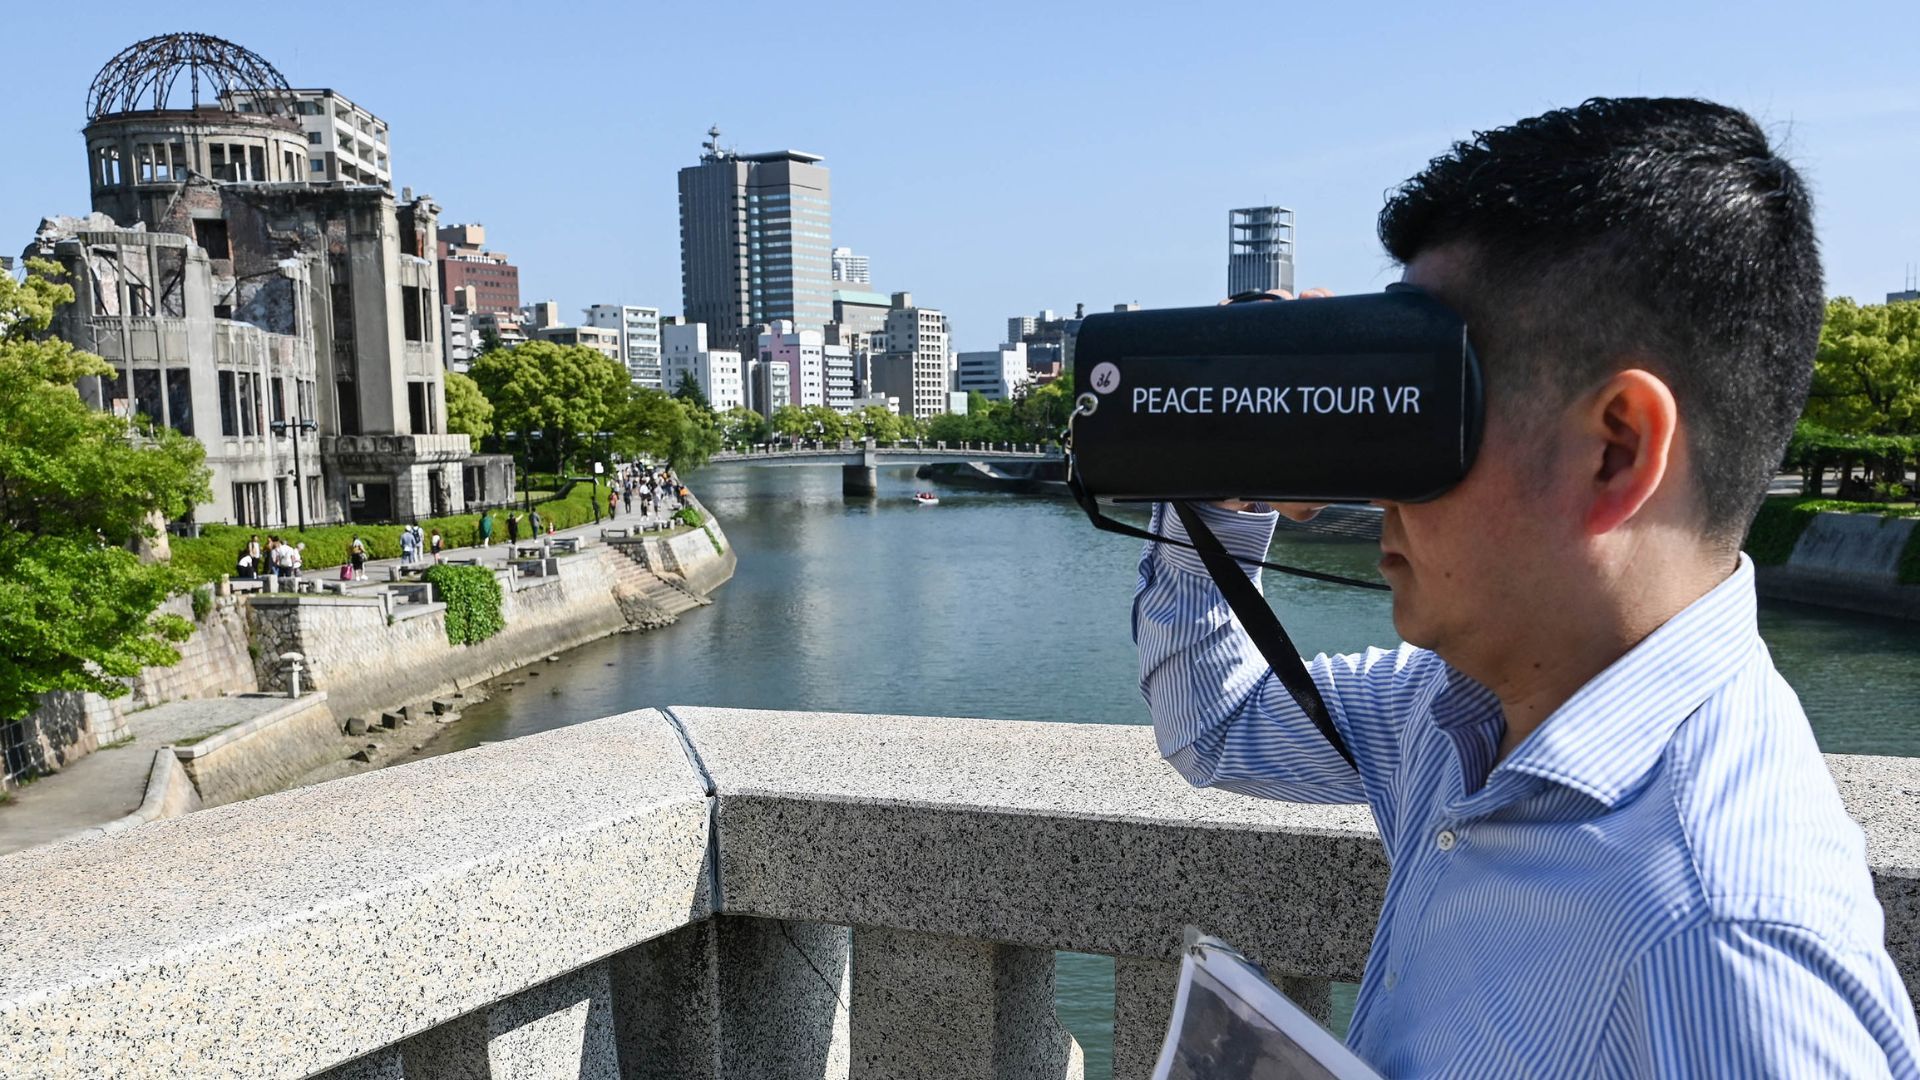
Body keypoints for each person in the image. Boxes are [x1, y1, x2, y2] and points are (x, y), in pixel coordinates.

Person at [1132, 98, 1920, 1076]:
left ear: (1616, 448)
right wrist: (1229, 464)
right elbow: (1219, 720)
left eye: (1424, 410)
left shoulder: (1721, 946)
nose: (1380, 479)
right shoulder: (1465, 709)